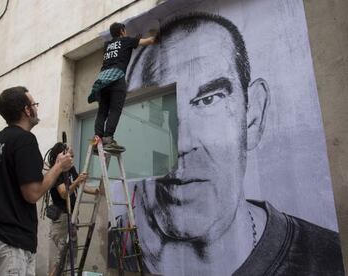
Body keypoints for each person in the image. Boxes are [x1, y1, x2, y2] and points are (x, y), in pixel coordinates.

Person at [111, 13, 345, 275]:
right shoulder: (115, 244)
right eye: (153, 110)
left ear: (253, 116)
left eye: (208, 100)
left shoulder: (327, 259)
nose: (181, 145)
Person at [0, 86, 73, 276]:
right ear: (27, 110)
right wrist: (59, 166)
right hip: (7, 244)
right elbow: (32, 194)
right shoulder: (25, 140)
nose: (36, 108)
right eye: (34, 104)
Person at [89, 22, 156, 152]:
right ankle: (108, 138)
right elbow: (149, 41)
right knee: (115, 110)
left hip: (102, 80)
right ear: (122, 31)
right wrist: (156, 34)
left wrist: (134, 40)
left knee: (102, 111)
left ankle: (97, 139)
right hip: (116, 78)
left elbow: (119, 50)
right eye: (125, 31)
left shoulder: (107, 45)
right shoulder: (127, 40)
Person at [45, 142, 99, 275]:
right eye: (70, 155)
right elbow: (64, 194)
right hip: (62, 218)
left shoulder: (71, 169)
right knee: (62, 257)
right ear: (61, 155)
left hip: (71, 216)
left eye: (73, 156)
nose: (72, 159)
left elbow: (81, 187)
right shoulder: (56, 171)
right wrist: (77, 180)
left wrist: (96, 191)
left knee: (68, 257)